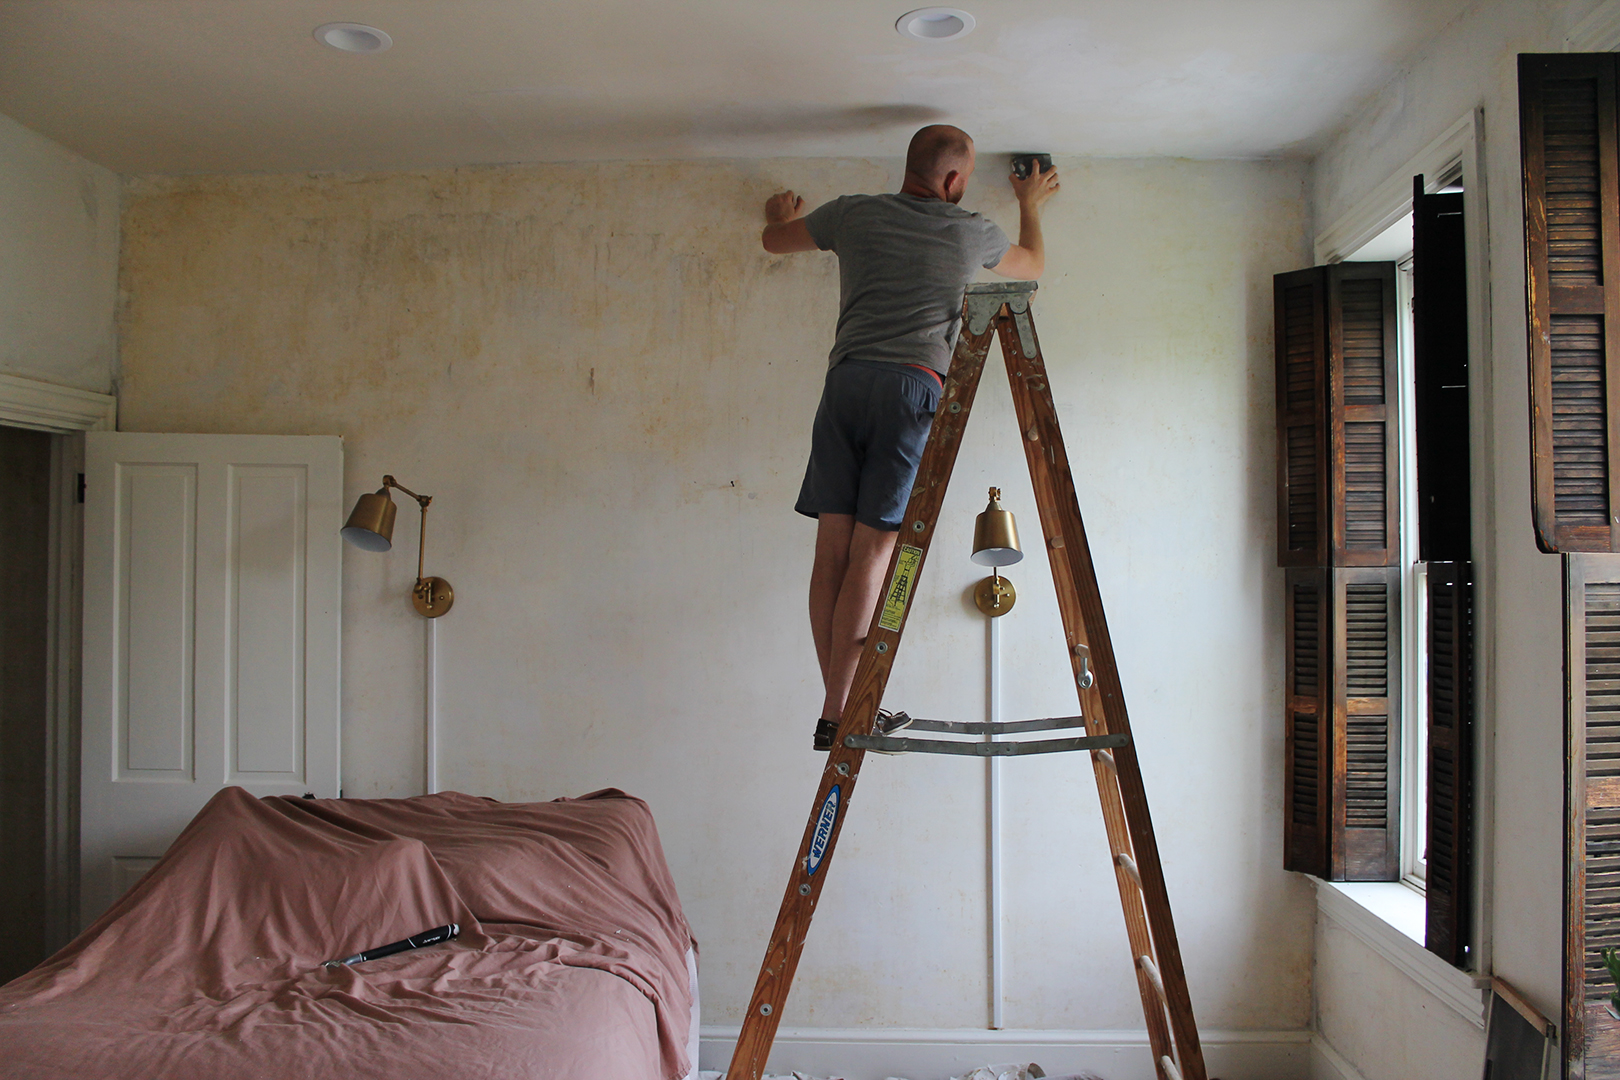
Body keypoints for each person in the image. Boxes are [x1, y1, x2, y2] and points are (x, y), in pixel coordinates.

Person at [760, 124, 1059, 751]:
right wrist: (1029, 205)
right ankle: (844, 711)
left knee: (831, 555)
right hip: (911, 391)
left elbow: (773, 240)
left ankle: (836, 710)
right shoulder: (970, 229)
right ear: (953, 181)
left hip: (844, 385)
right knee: (873, 555)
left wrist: (781, 212)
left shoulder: (851, 214)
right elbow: (1030, 269)